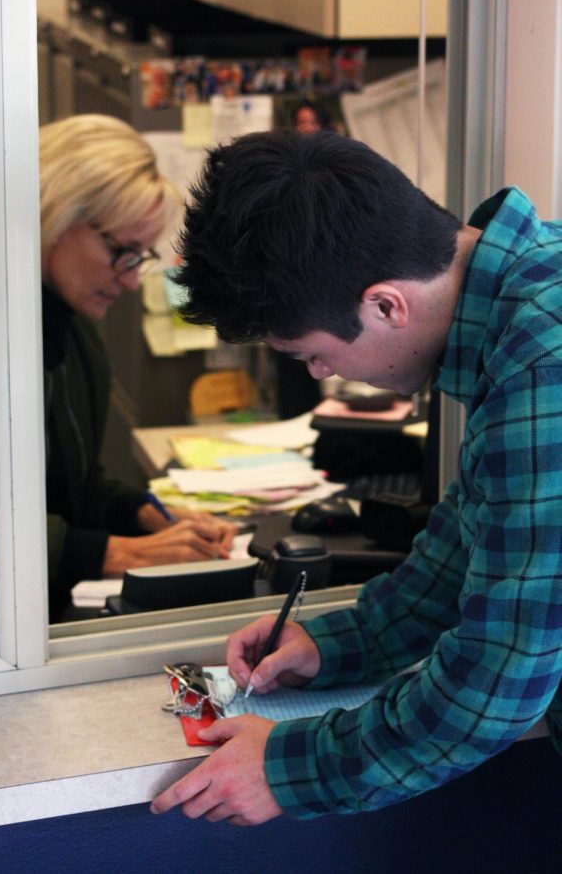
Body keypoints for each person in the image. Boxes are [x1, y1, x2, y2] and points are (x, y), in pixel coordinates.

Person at [150, 129, 562, 828]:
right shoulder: (528, 296)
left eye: (312, 355)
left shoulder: (544, 365)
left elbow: (499, 679)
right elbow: (476, 540)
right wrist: (344, 643)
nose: (320, 376)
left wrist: (288, 767)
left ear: (385, 305)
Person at [40, 115, 235, 622]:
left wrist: (145, 514)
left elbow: (66, 485)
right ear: (56, 216)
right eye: (122, 253)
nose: (130, 283)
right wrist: (122, 554)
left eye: (140, 256)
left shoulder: (71, 329)